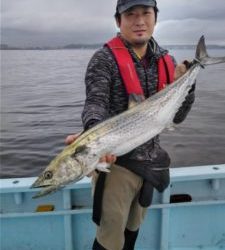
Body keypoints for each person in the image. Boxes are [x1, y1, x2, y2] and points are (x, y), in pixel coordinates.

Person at [66, 0, 195, 249]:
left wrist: (187, 87)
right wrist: (92, 133)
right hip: (117, 167)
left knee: (132, 231)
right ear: (118, 21)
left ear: (155, 17)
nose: (139, 21)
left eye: (146, 13)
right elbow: (96, 104)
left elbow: (177, 118)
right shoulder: (104, 60)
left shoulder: (168, 61)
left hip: (150, 167)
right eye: (130, 15)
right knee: (110, 239)